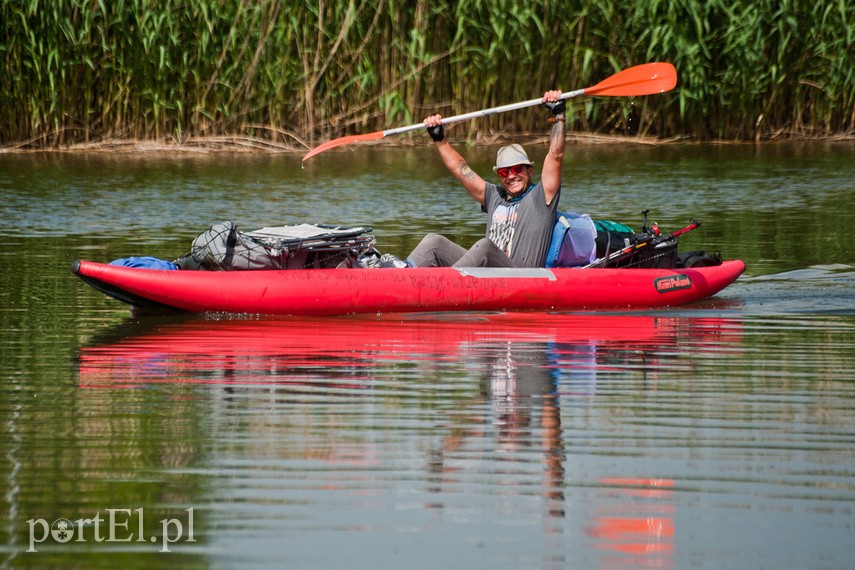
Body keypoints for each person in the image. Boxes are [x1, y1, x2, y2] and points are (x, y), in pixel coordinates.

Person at [407, 90, 567, 268]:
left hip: (519, 278)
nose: (511, 176)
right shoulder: (494, 196)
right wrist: (439, 138)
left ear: (529, 171)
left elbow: (556, 155)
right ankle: (398, 275)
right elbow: (461, 170)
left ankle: (448, 284)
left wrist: (558, 115)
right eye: (504, 173)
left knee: (485, 246)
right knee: (433, 242)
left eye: (516, 169)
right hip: (486, 275)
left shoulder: (542, 197)